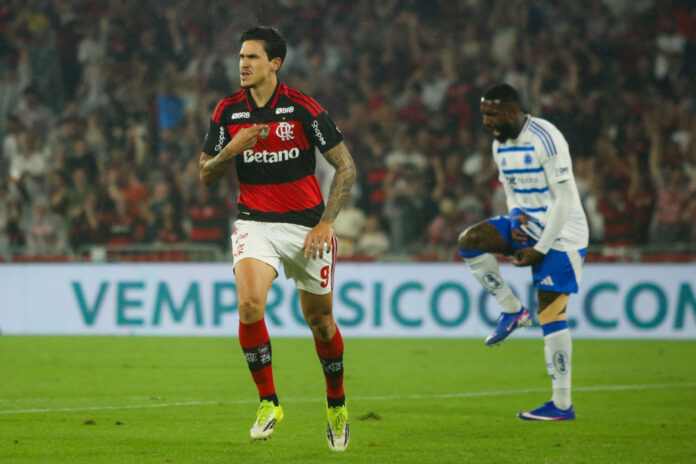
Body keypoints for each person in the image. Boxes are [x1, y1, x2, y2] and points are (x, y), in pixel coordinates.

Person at [198, 26, 356, 450]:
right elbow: (205, 174)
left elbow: (346, 166)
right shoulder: (228, 111)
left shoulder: (303, 107)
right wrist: (232, 149)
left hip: (307, 228)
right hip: (255, 223)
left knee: (321, 324)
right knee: (249, 305)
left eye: (252, 57)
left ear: (275, 63)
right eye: (241, 57)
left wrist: (326, 224)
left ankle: (337, 404)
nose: (243, 64)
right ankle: (269, 402)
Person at [458, 83, 588, 421]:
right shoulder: (499, 146)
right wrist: (516, 214)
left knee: (551, 314)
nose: (486, 121)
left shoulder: (546, 138)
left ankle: (561, 404)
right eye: (483, 113)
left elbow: (565, 200)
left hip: (563, 235)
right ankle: (512, 310)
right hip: (528, 224)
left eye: (492, 114)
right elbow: (512, 191)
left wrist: (540, 249)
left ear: (512, 112)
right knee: (470, 240)